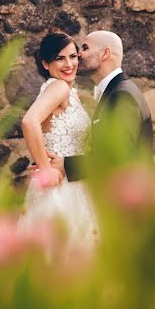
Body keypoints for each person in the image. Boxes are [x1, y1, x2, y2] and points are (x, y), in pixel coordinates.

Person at [19, 29, 98, 258]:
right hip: (61, 189)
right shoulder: (59, 87)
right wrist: (45, 169)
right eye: (59, 58)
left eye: (73, 57)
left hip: (71, 184)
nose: (69, 64)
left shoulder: (61, 88)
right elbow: (29, 121)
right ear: (45, 64)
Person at [73, 30, 153, 181]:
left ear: (105, 54)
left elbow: (116, 158)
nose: (78, 54)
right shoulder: (116, 91)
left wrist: (66, 165)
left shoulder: (123, 95)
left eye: (85, 48)